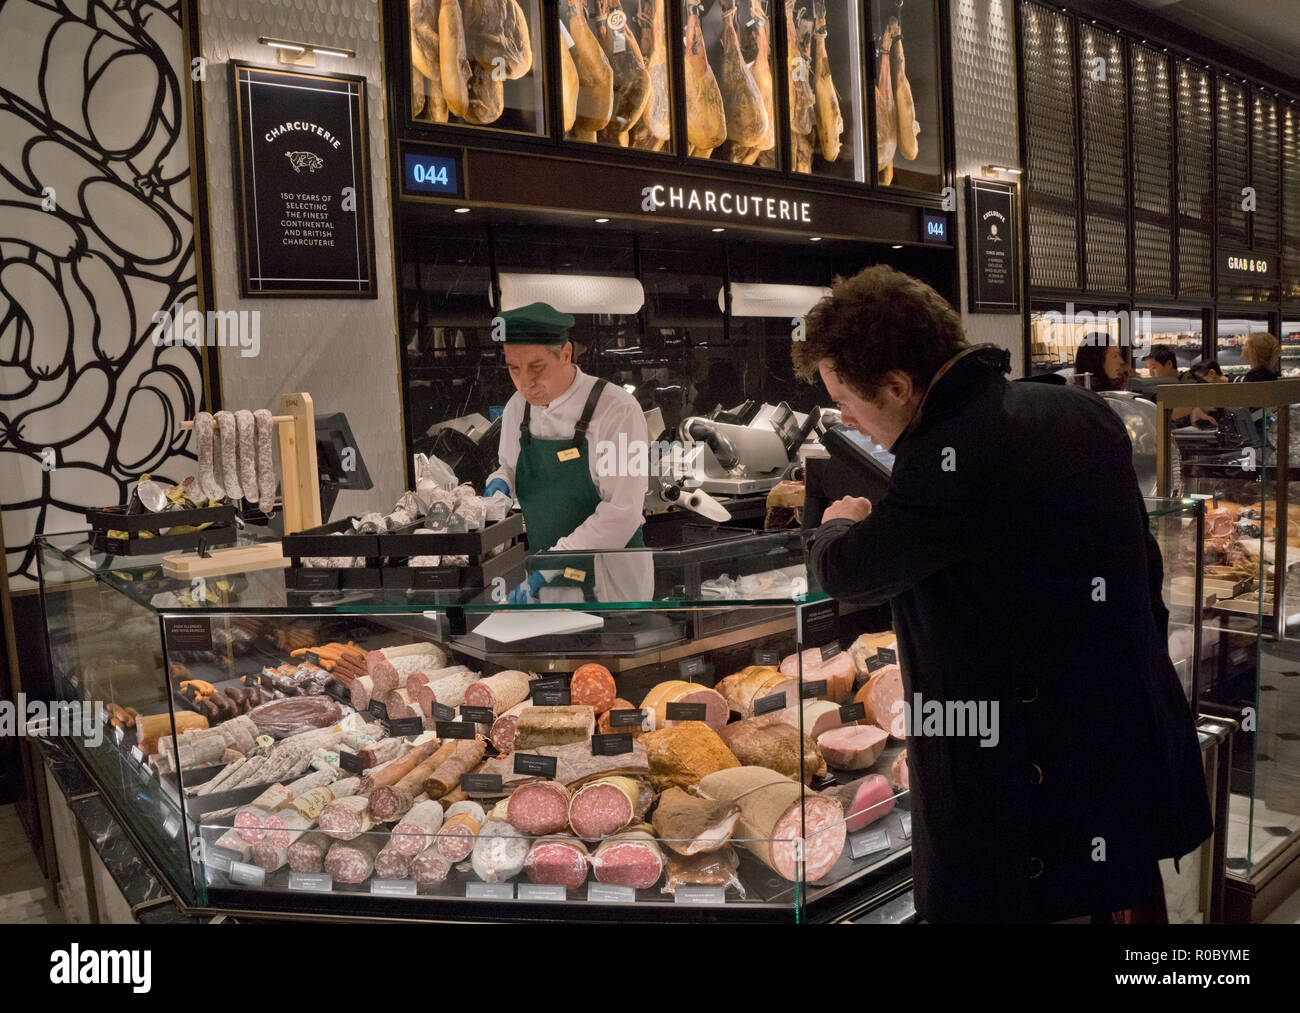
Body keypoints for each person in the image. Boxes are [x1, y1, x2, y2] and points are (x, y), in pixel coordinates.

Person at [792, 265, 1211, 924]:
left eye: (848, 400)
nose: (845, 419)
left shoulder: (950, 456)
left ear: (900, 386)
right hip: (1116, 761)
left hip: (1024, 799)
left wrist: (835, 525)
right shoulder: (1079, 409)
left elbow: (849, 571)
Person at [484, 303, 649, 603]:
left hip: (612, 587)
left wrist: (551, 562)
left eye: (536, 367)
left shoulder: (618, 410)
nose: (525, 382)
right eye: (513, 369)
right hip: (546, 585)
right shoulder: (516, 408)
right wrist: (500, 483)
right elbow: (508, 466)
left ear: (565, 354)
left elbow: (622, 513)